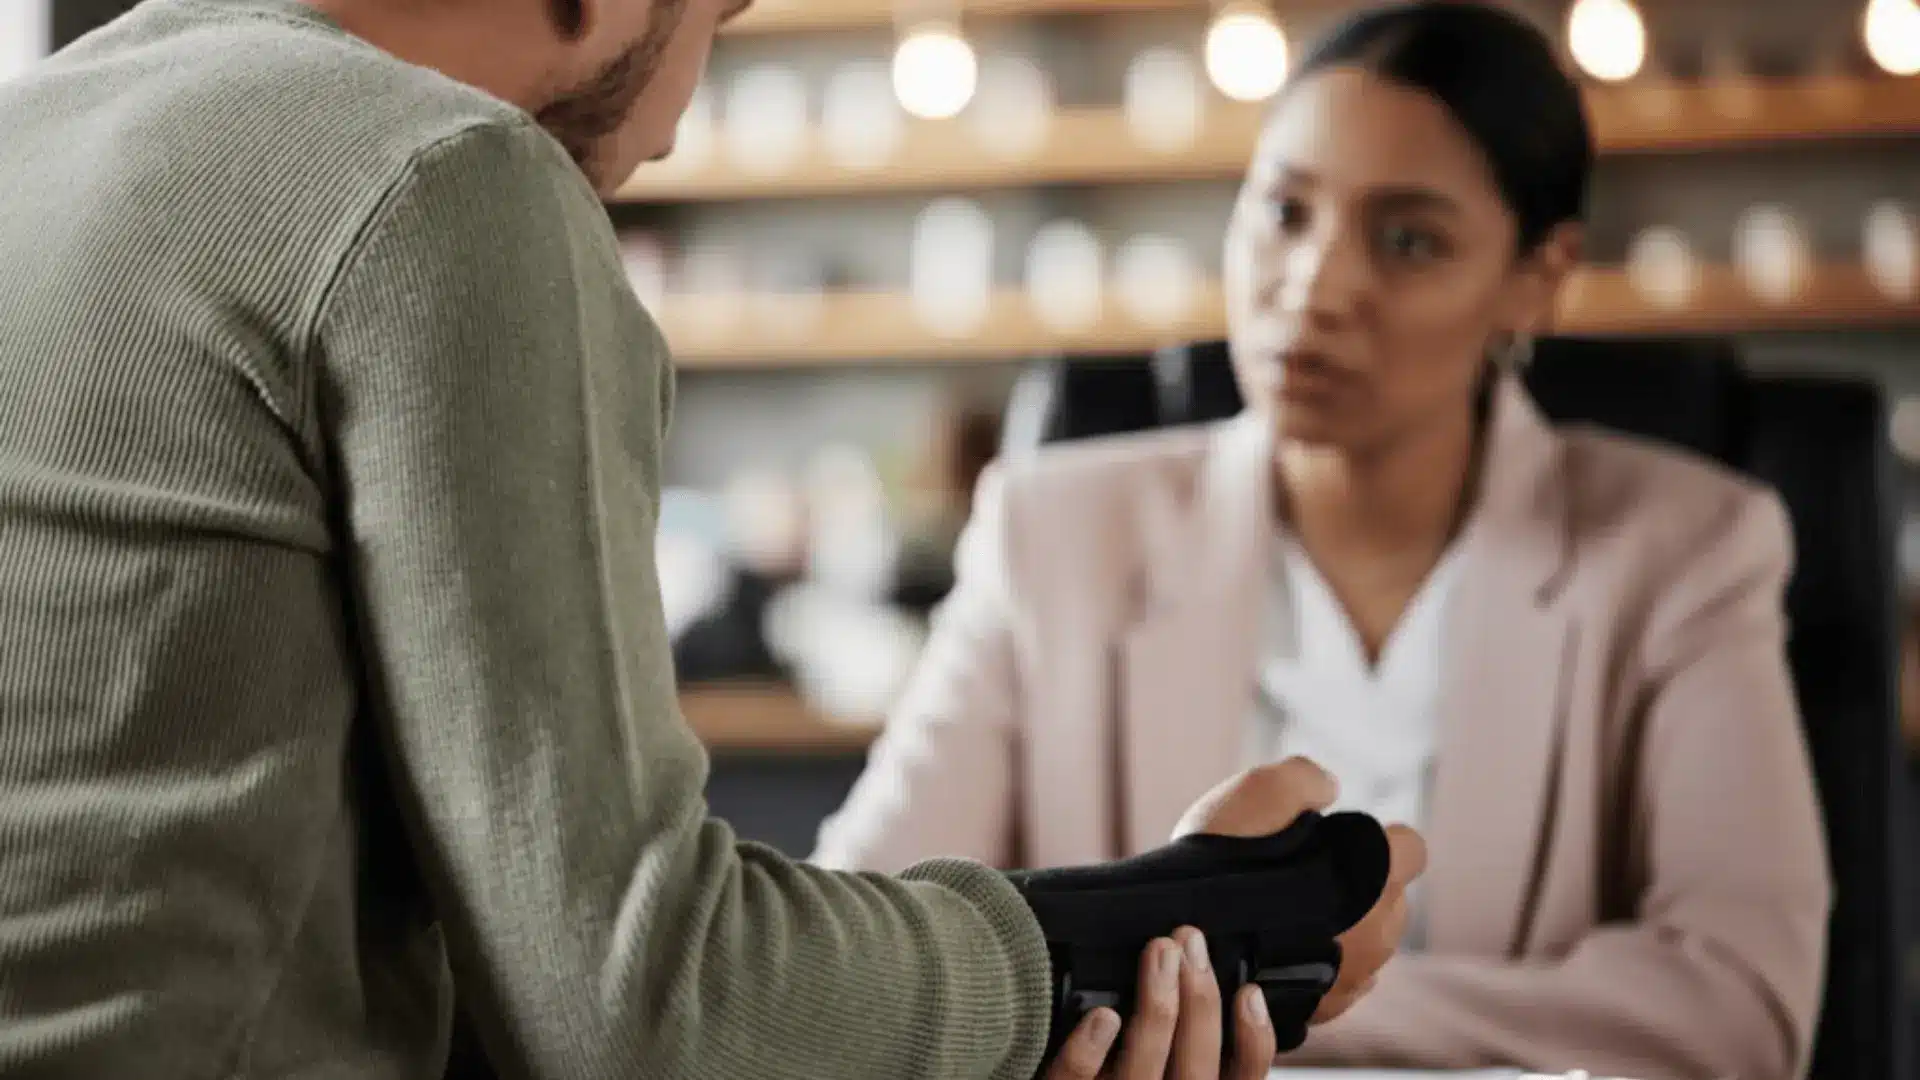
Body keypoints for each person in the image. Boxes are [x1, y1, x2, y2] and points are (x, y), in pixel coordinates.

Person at [0, 0, 1427, 1078]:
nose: (678, 118)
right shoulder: (446, 179)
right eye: (724, 16)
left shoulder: (42, 130)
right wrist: (1230, 917)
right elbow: (645, 1001)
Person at [813, 4, 1834, 1079]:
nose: (1316, 283)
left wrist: (1252, 987)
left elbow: (1740, 1007)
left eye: (1407, 239)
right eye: (1286, 213)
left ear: (1538, 276)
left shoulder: (1686, 549)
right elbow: (848, 957)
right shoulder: (1051, 533)